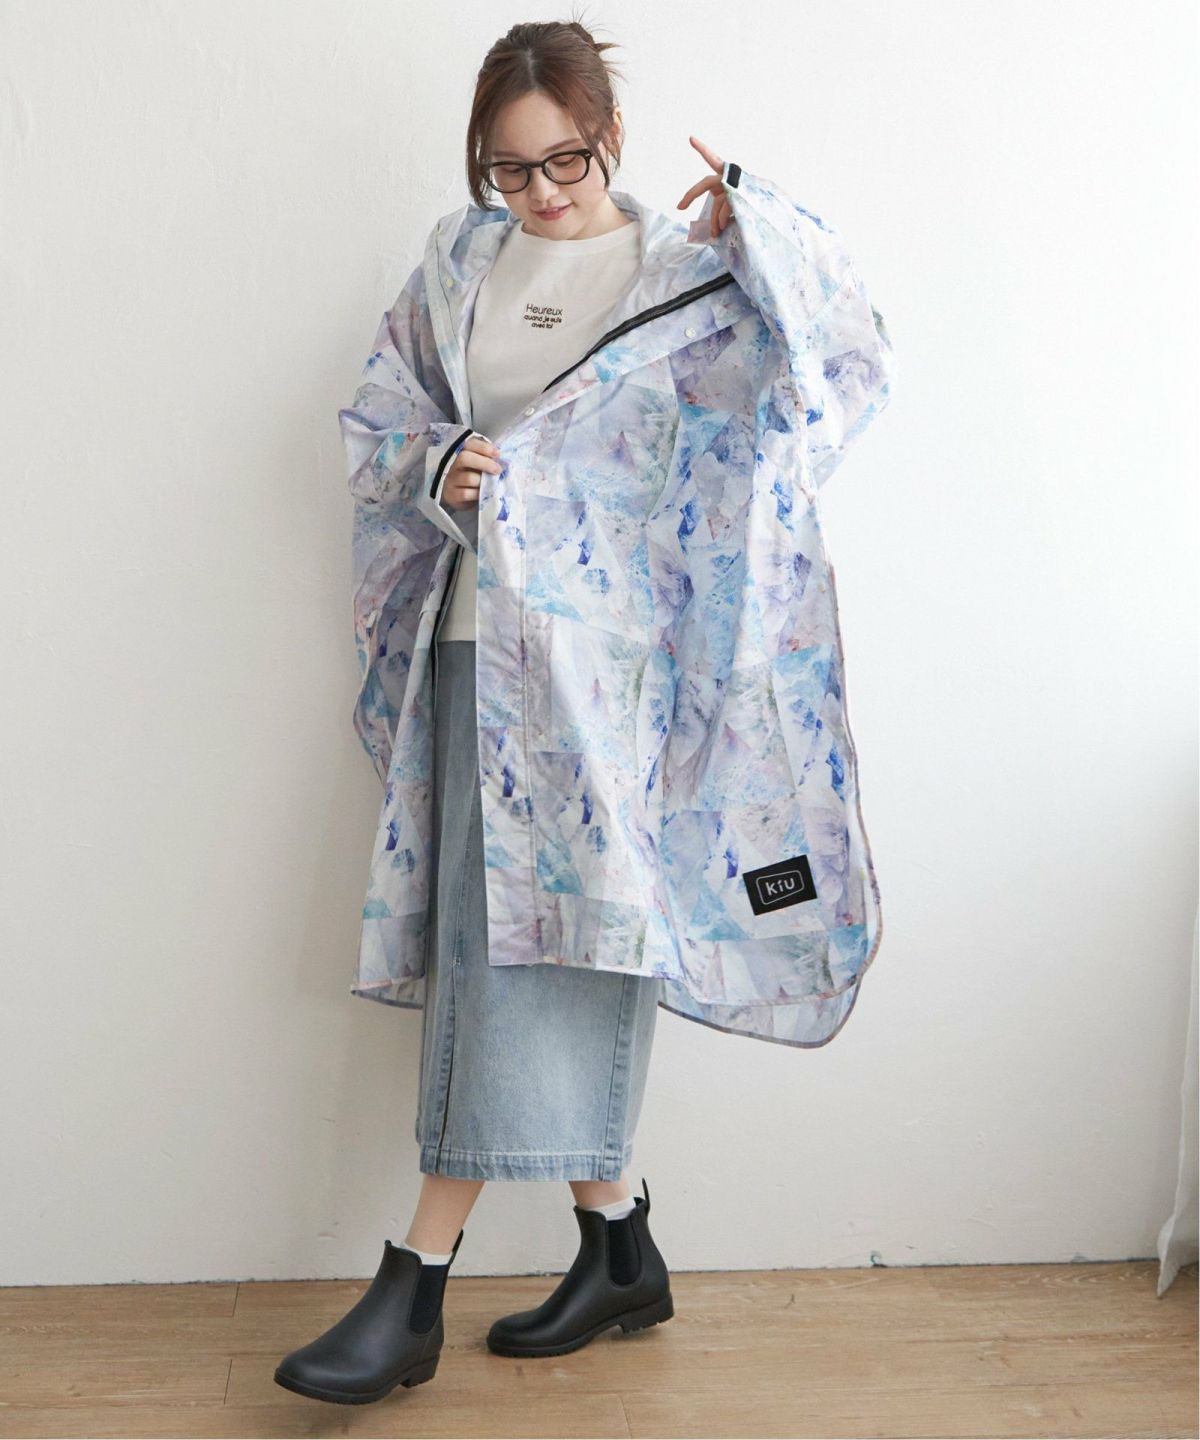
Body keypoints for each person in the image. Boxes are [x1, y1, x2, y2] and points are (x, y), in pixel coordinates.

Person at [276, 18, 679, 1406]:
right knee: (497, 944)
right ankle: (619, 1245)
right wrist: (443, 458)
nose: (541, 193)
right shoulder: (461, 262)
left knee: (534, 955)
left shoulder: (681, 274)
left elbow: (816, 384)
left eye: (564, 161)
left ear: (609, 138)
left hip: (599, 679)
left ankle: (415, 1280)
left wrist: (770, 226)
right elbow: (378, 415)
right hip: (469, 645)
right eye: (510, 170)